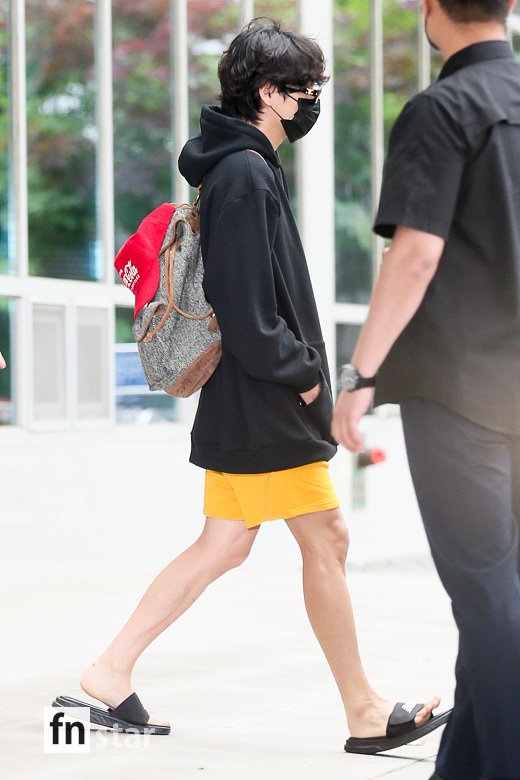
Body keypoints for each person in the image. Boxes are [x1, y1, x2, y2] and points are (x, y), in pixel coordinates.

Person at [55, 20, 448, 752]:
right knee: (326, 538)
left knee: (225, 544)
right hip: (267, 402)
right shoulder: (243, 173)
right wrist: (304, 378)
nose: (311, 103)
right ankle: (364, 711)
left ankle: (111, 669)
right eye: (305, 91)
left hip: (245, 400)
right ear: (270, 93)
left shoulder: (240, 167)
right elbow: (245, 307)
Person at [332, 1, 520, 778]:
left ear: (430, 8)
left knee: (488, 599)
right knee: (500, 598)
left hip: (462, 390)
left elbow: (414, 255)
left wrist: (361, 374)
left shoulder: (444, 108)